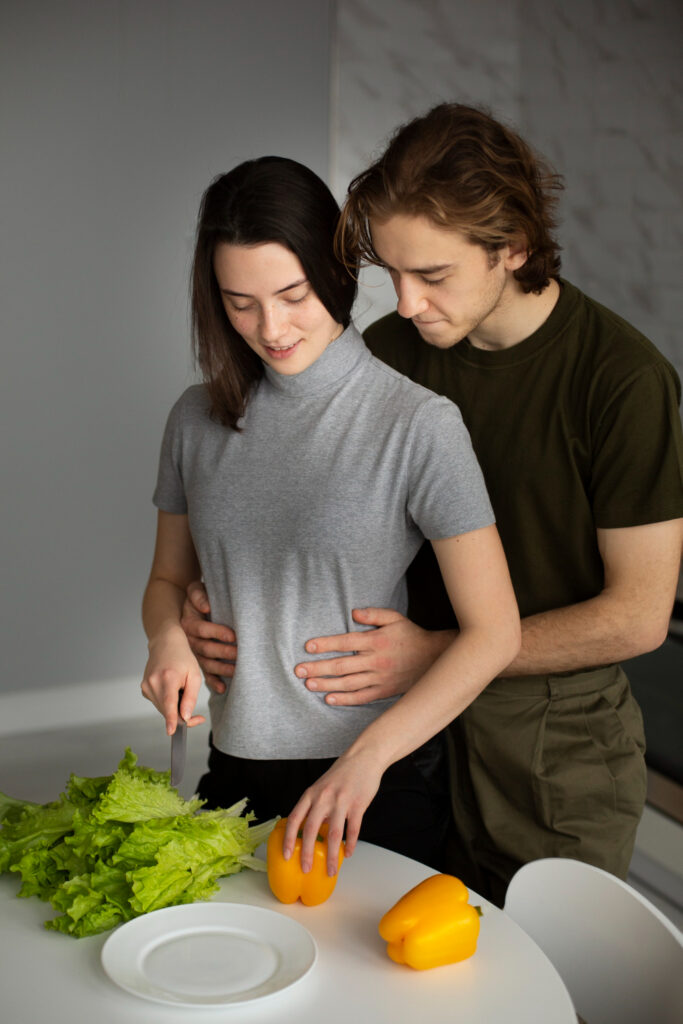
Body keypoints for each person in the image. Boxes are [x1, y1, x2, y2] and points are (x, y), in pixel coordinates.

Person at [182, 107, 683, 905]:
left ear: (512, 247)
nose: (406, 303)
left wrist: (438, 650)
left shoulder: (621, 381)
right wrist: (206, 604)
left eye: (434, 277)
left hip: (551, 749)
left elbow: (638, 616)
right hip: (414, 734)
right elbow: (295, 510)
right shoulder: (395, 353)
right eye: (391, 275)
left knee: (548, 974)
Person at [141, 155, 520, 876]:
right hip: (232, 771)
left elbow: (494, 632)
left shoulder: (417, 423)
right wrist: (167, 639)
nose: (270, 326)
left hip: (370, 781)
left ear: (336, 269)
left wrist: (365, 762)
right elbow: (166, 581)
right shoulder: (194, 420)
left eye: (292, 293)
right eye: (239, 301)